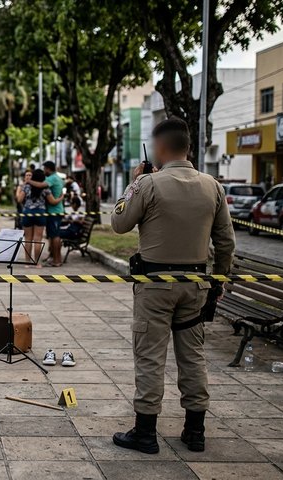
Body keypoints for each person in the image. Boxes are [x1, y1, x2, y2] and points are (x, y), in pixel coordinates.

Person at [110, 117, 235, 455]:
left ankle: (145, 432)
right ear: (189, 148)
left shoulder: (149, 184)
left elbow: (119, 222)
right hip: (195, 283)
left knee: (150, 356)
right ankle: (195, 431)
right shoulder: (213, 186)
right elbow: (226, 242)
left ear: (161, 148)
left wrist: (133, 183)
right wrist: (219, 281)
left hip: (154, 286)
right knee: (193, 356)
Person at [16, 169, 63, 267]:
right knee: (38, 240)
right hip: (40, 214)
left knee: (28, 239)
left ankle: (27, 263)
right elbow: (52, 202)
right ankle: (37, 263)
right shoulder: (45, 188)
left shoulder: (26, 187)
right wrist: (61, 197)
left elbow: (19, 199)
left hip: (27, 213)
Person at [27, 161, 65, 267]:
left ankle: (57, 260)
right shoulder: (57, 177)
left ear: (48, 169)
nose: (44, 171)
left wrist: (29, 181)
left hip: (54, 212)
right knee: (52, 236)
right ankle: (54, 258)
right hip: (54, 211)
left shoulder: (52, 178)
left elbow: (41, 185)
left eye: (45, 169)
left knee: (55, 236)